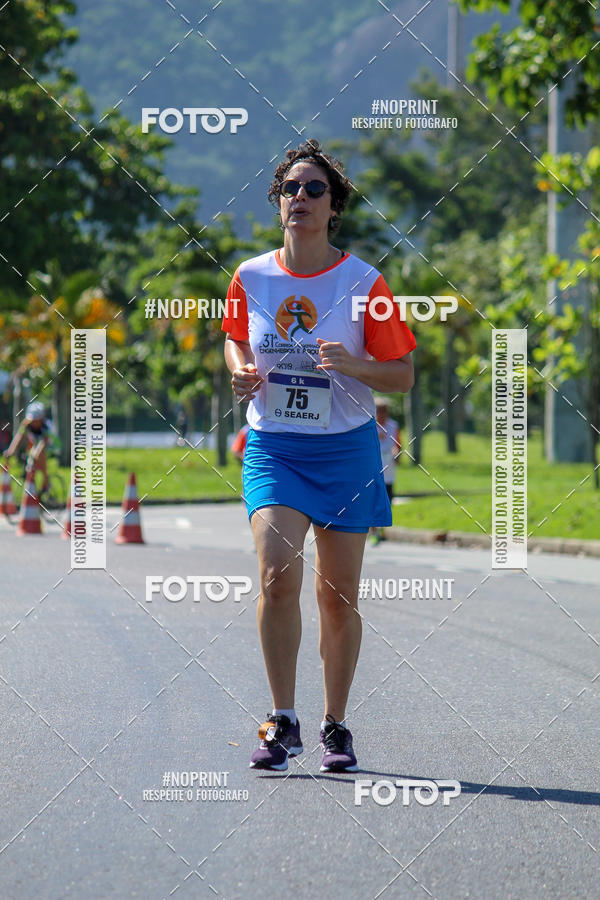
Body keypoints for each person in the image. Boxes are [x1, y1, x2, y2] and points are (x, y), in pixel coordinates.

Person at [221, 139, 416, 773]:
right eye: (290, 189)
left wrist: (354, 364)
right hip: (275, 446)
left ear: (334, 208)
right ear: (277, 202)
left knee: (339, 597)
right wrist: (242, 369)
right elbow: (232, 340)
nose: (299, 199)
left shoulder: (365, 283)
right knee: (277, 572)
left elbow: (404, 374)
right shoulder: (250, 277)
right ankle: (282, 721)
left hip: (346, 452)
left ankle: (335, 726)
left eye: (313, 191)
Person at [370, 397, 402, 545]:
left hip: (389, 468)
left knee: (387, 501)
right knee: (373, 499)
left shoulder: (393, 426)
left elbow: (397, 444)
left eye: (385, 411)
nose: (382, 414)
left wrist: (397, 454)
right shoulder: (369, 426)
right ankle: (374, 530)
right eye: (379, 411)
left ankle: (382, 529)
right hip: (373, 468)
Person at [5, 401, 51, 491]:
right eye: (32, 420)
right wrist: (10, 452)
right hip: (36, 445)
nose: (34, 422)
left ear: (41, 419)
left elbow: (43, 442)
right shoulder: (26, 424)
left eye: (36, 420)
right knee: (32, 456)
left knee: (39, 455)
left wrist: (36, 453)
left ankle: (46, 481)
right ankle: (33, 486)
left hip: (50, 446)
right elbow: (18, 438)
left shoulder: (46, 426)